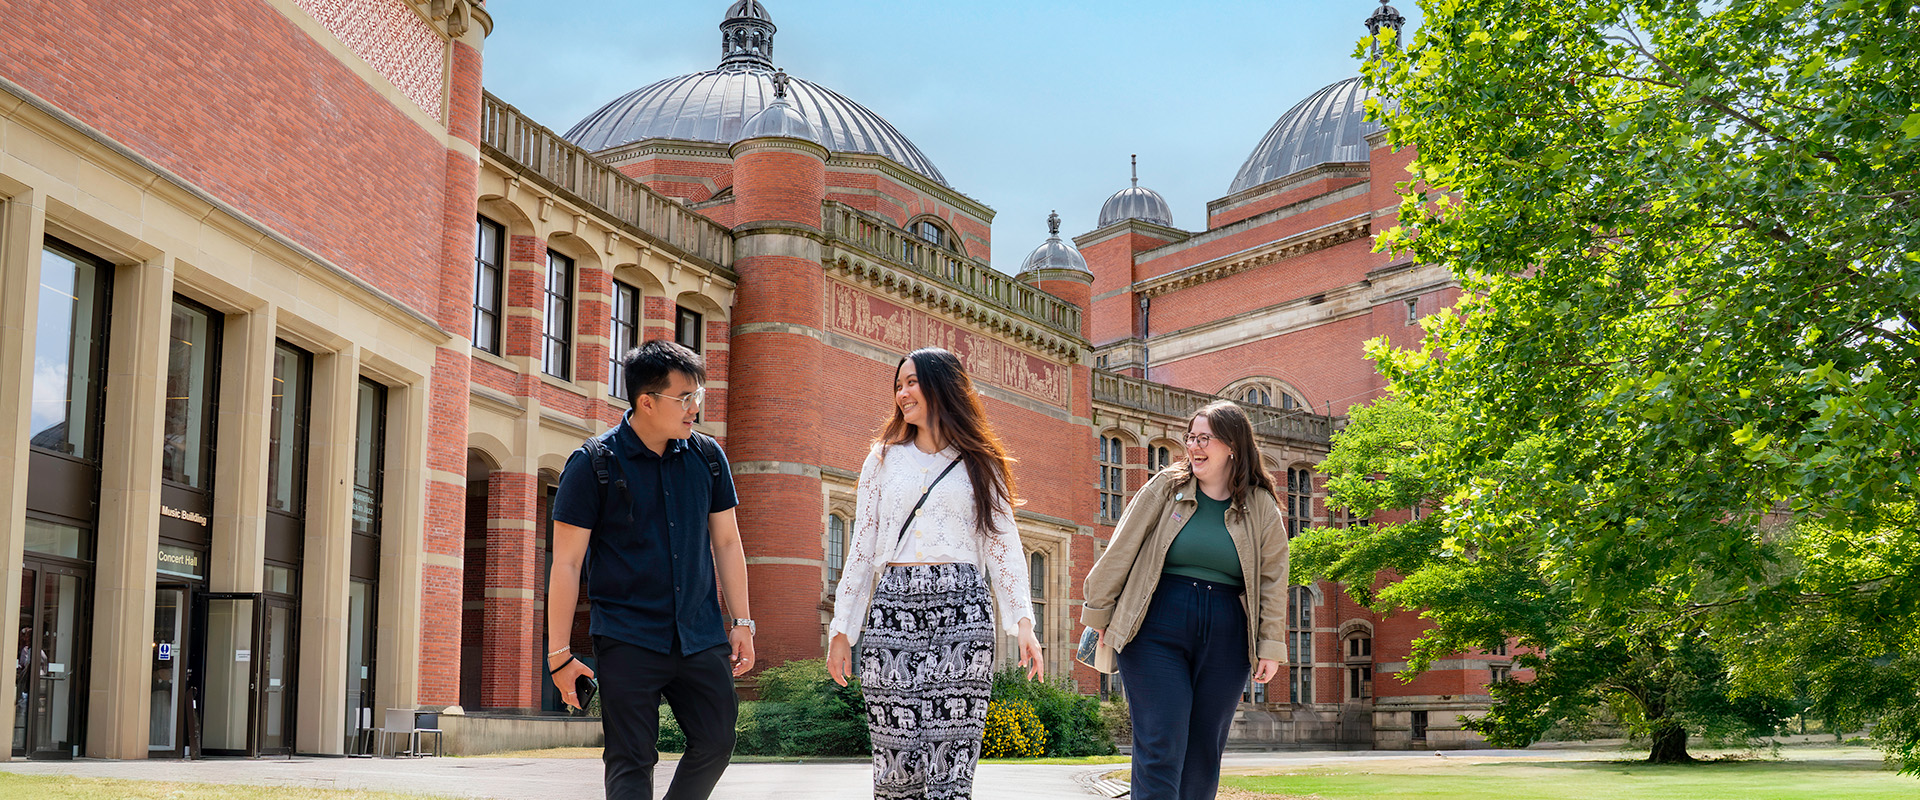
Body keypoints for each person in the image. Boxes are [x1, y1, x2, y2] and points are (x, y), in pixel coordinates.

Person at [826, 346, 1044, 800]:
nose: (902, 393)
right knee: (896, 758)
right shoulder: (882, 459)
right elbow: (862, 546)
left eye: (912, 382)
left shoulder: (983, 462)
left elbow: (1003, 544)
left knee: (951, 755)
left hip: (962, 608)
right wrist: (842, 629)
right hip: (893, 607)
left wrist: (1023, 622)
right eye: (898, 384)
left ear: (942, 387)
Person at [546, 339, 754, 800]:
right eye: (686, 398)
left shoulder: (708, 457)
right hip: (628, 636)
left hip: (700, 635)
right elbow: (566, 563)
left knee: (718, 741)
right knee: (631, 759)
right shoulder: (593, 463)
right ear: (646, 400)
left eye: (698, 396)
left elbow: (726, 540)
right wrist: (558, 654)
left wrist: (742, 622)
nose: (695, 408)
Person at [1080, 400, 1289, 800]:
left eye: (1204, 438)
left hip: (1227, 630)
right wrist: (1098, 616)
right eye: (1191, 437)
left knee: (1203, 753)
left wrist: (1270, 645)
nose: (1194, 445)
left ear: (1231, 445)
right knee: (1161, 744)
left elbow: (1273, 579)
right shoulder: (1165, 486)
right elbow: (1121, 549)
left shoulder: (1261, 504)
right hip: (1156, 623)